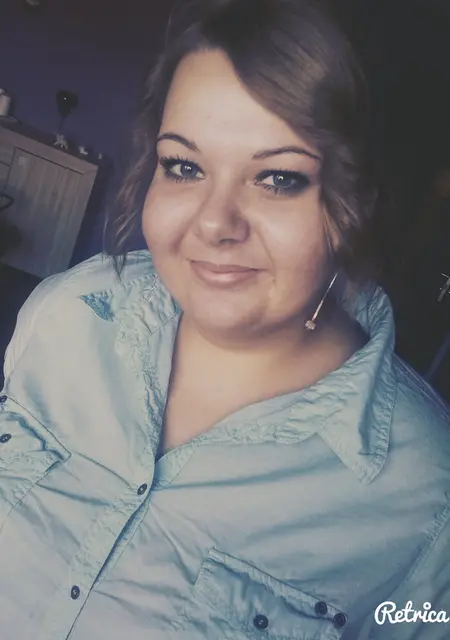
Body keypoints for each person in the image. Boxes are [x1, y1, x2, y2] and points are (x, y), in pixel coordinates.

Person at [1, 1, 449, 638]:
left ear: (357, 202)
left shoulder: (424, 502)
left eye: (278, 179)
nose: (214, 223)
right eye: (184, 167)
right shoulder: (69, 312)